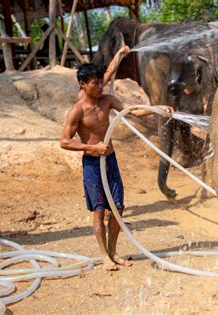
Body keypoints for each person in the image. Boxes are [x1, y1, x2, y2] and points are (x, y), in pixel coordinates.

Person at [60, 62, 174, 271]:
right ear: (82, 84)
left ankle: (113, 252)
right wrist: (91, 148)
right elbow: (65, 141)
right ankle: (104, 256)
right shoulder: (77, 111)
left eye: (101, 82)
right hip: (93, 164)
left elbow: (133, 111)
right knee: (99, 211)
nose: (100, 86)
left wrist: (156, 109)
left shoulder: (107, 101)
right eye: (95, 83)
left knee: (118, 208)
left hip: (110, 160)